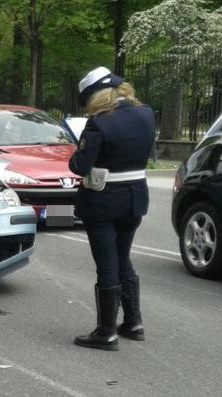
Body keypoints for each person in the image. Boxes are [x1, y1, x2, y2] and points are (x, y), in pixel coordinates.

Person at [68, 66, 156, 351]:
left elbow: (80, 166)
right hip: (134, 199)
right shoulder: (146, 114)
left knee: (107, 263)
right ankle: (133, 322)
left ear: (96, 96)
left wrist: (79, 149)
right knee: (123, 257)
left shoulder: (100, 122)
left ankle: (106, 332)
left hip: (103, 202)